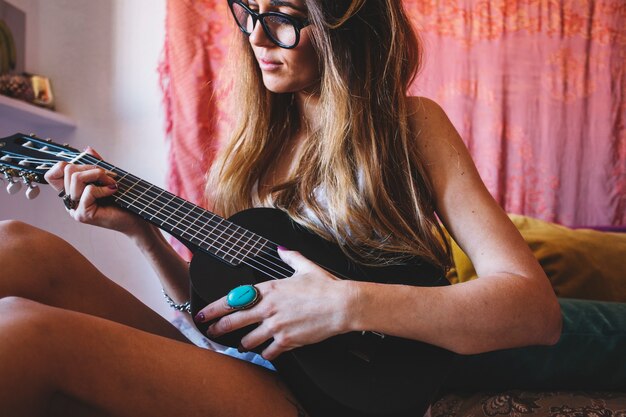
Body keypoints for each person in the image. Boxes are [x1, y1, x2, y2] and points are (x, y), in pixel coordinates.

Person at [0, 0, 567, 416]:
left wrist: (346, 304)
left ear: (345, 22)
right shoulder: (255, 147)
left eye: (283, 17)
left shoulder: (410, 126)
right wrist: (143, 234)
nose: (255, 36)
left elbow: (533, 310)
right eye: (248, 11)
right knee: (17, 241)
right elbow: (218, 310)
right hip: (238, 359)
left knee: (24, 329)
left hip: (328, 392)